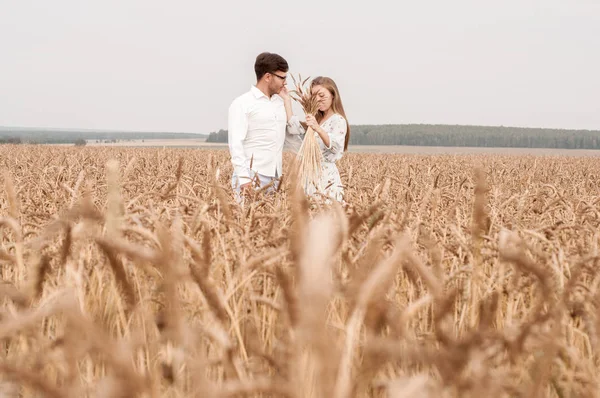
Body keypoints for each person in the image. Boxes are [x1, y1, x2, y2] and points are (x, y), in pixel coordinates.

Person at [227, 52, 303, 203]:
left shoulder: (280, 103)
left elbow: (291, 137)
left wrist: (288, 101)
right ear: (268, 77)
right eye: (282, 77)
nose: (285, 83)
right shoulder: (242, 103)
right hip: (251, 176)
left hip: (275, 177)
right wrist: (244, 180)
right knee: (245, 223)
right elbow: (236, 144)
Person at [286, 76, 350, 203]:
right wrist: (286, 99)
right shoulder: (316, 119)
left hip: (325, 179)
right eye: (314, 95)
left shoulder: (338, 120)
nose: (318, 99)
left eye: (322, 95)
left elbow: (335, 146)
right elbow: (293, 128)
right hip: (308, 176)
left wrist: (317, 128)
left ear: (333, 95)